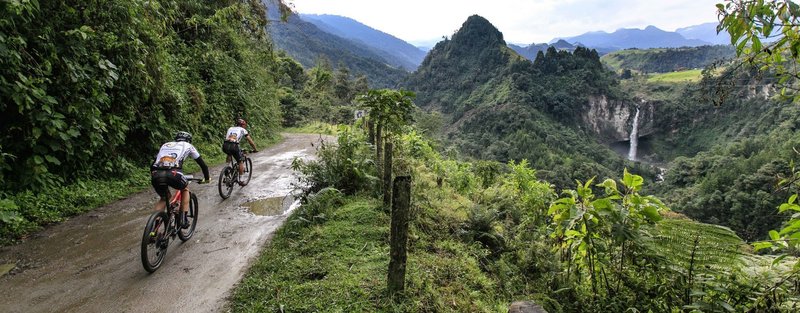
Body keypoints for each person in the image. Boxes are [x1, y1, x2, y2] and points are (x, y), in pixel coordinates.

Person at [151, 131, 210, 228]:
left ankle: (154, 229)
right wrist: (207, 178)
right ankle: (183, 218)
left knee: (164, 198)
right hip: (173, 173)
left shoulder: (166, 144)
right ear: (188, 140)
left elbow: (154, 163)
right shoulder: (189, 145)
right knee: (185, 188)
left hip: (156, 173)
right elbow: (202, 164)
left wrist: (153, 175)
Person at [222, 118, 258, 185]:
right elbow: (250, 141)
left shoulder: (230, 128)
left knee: (229, 154)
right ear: (243, 125)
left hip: (225, 145)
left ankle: (227, 167)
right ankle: (241, 180)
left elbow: (229, 138)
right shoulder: (243, 130)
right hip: (234, 145)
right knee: (240, 162)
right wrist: (255, 149)